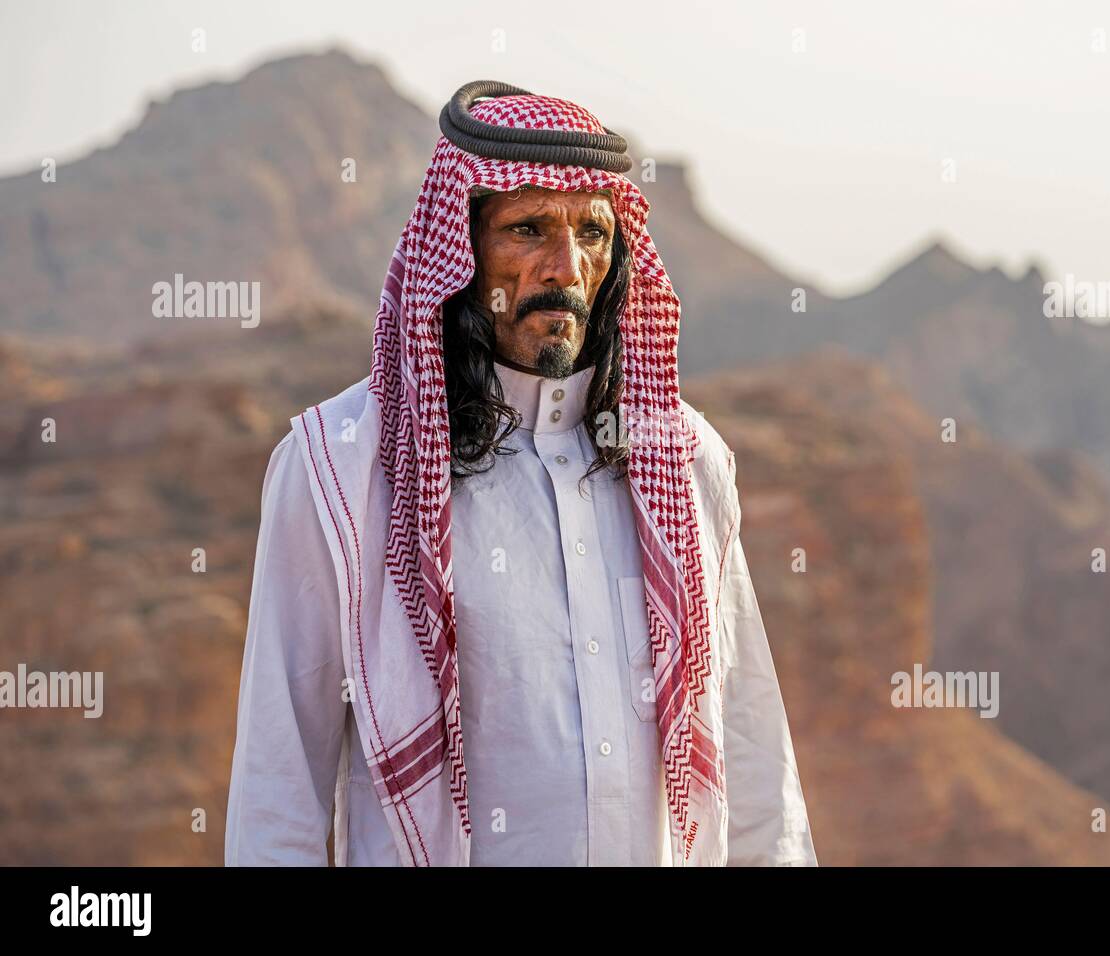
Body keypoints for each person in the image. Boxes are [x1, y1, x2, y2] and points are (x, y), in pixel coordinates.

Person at [224, 81, 816, 867]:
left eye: (593, 234)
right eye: (527, 229)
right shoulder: (343, 466)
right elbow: (278, 788)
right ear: (459, 249)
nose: (565, 269)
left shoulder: (685, 460)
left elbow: (750, 753)